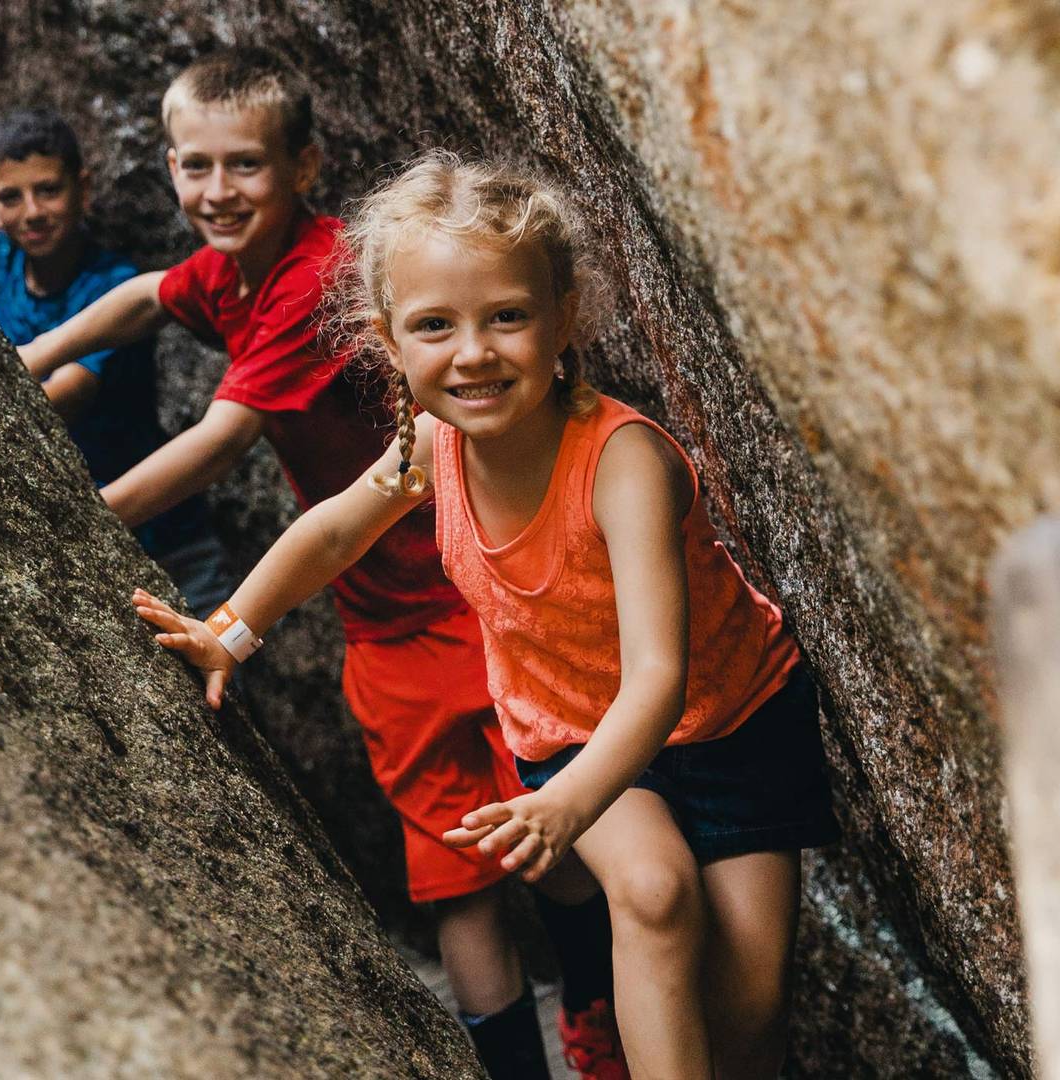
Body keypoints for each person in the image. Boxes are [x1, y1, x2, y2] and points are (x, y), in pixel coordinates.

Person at [133, 150, 838, 1080]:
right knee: (657, 894)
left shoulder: (624, 464)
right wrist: (230, 631)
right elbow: (334, 532)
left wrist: (560, 810)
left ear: (562, 321)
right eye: (435, 325)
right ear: (388, 342)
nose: (474, 352)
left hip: (734, 719)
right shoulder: (432, 443)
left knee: (750, 1012)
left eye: (507, 316)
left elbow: (659, 678)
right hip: (573, 731)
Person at [22, 52, 621, 1079]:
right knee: (455, 877)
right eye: (195, 167)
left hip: (476, 592)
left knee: (557, 839)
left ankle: (599, 1031)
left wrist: (77, 520)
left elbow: (223, 438)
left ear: (305, 165)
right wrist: (27, 360)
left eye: (244, 165)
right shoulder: (236, 267)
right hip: (386, 621)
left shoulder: (321, 278)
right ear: (167, 167)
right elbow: (146, 299)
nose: (217, 192)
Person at [0, 107, 226, 613]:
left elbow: (67, 396)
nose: (33, 211)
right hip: (71, 527)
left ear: (82, 187)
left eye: (48, 189)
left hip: (165, 539)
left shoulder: (112, 286)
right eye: (12, 197)